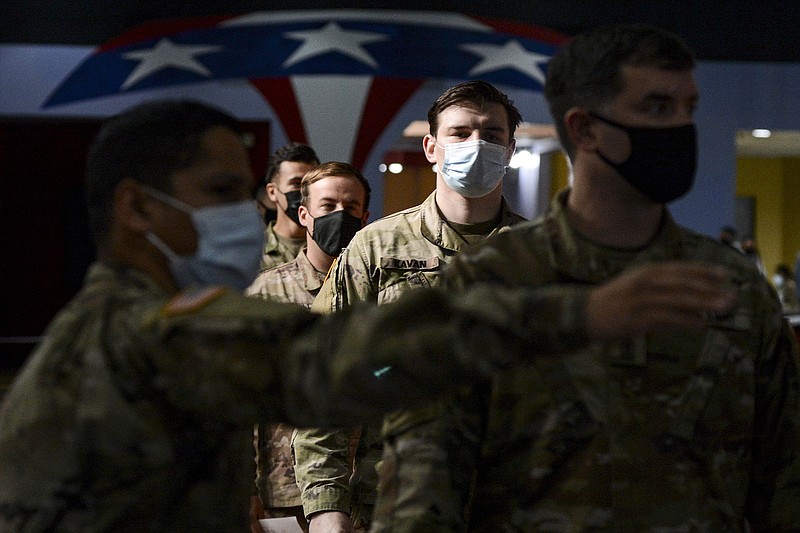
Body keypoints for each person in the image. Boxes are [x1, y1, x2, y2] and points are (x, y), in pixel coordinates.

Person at [0, 98, 683, 532]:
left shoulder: (116, 319)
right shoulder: (150, 331)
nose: (246, 215)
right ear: (136, 208)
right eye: (219, 192)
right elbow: (330, 362)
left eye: (243, 192)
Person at [370, 24, 800, 532]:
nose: (682, 127)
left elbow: (784, 484)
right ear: (584, 128)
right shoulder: (493, 283)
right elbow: (422, 494)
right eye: (658, 108)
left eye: (689, 108)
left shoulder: (731, 289)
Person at [296, 80, 526, 532]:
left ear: (510, 149)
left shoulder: (538, 255)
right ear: (431, 147)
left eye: (492, 135)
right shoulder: (377, 249)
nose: (477, 145)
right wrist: (326, 508)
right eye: (460, 133)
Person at [246, 162, 371, 531]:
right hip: (286, 490)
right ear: (304, 214)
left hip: (363, 483)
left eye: (350, 208)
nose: (339, 215)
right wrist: (247, 488)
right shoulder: (267, 292)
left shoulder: (378, 290)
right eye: (327, 205)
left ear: (365, 216)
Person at [258, 142, 319, 270]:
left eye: (311, 183)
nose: (305, 191)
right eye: (296, 184)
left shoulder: (330, 250)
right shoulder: (255, 252)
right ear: (272, 192)